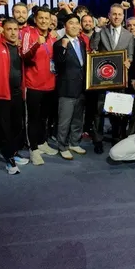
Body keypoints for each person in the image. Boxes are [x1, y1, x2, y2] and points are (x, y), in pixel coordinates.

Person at [0, 18, 27, 174]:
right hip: (2, 94)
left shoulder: (20, 47)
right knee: (4, 128)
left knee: (17, 126)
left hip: (17, 92)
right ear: (3, 30)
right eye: (9, 29)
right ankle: (9, 160)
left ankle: (12, 152)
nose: (13, 32)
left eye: (15, 29)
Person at [89, 3, 135, 154]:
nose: (116, 17)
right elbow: (93, 47)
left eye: (119, 14)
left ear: (123, 16)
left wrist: (129, 61)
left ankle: (116, 138)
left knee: (117, 111)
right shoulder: (101, 31)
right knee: (99, 111)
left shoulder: (129, 35)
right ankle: (98, 140)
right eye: (114, 14)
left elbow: (130, 55)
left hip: (119, 79)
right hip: (102, 79)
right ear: (109, 15)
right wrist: (97, 29)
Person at [21, 6, 59, 165]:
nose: (44, 21)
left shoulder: (53, 37)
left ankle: (42, 142)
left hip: (50, 84)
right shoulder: (29, 33)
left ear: (51, 21)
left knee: (44, 118)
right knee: (33, 119)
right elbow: (24, 55)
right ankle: (33, 149)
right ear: (35, 19)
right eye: (41, 18)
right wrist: (36, 44)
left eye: (46, 18)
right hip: (33, 85)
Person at [53, 15, 89, 160]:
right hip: (66, 88)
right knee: (64, 121)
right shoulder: (59, 44)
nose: (74, 26)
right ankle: (62, 146)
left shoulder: (81, 42)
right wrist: (63, 47)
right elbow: (59, 63)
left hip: (81, 88)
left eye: (76, 23)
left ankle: (74, 143)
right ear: (65, 26)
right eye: (71, 23)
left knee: (78, 119)